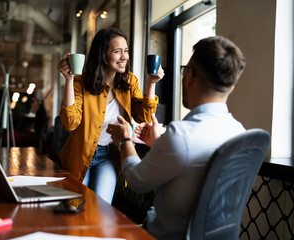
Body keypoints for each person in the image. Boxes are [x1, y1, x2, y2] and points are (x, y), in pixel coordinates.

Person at [106, 36, 246, 239]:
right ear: (231, 86)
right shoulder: (239, 133)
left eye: (185, 70)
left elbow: (137, 181)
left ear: (189, 77)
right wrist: (158, 145)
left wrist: (125, 140)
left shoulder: (181, 135)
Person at [57, 28, 164, 204]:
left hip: (109, 155)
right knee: (73, 207)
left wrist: (151, 83)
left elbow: (144, 117)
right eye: (117, 51)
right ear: (102, 54)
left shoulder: (130, 81)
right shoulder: (80, 82)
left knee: (100, 208)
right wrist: (69, 80)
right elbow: (70, 123)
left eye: (126, 51)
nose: (124, 57)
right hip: (80, 155)